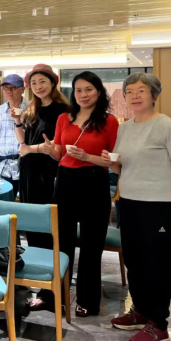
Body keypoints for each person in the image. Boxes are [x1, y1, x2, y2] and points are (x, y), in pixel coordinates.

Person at [103, 73, 171, 341]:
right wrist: (110, 162)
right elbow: (122, 167)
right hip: (129, 203)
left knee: (157, 266)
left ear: (153, 94)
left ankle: (158, 325)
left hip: (159, 207)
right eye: (129, 92)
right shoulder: (125, 128)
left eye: (141, 90)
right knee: (135, 261)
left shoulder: (169, 127)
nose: (135, 96)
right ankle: (140, 311)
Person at [50, 71, 118, 317]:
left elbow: (114, 161)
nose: (83, 94)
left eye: (88, 89)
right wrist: (49, 149)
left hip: (94, 181)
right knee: (62, 242)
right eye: (78, 90)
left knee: (92, 245)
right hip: (65, 181)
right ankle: (58, 297)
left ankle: (87, 300)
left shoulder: (109, 121)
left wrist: (88, 157)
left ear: (98, 92)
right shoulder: (64, 118)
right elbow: (58, 153)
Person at [16, 65, 69, 249]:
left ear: (52, 83)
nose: (38, 86)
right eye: (34, 83)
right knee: (31, 218)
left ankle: (50, 259)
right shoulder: (32, 108)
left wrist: (31, 149)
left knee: (46, 218)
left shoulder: (63, 110)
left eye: (42, 81)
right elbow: (23, 141)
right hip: (28, 169)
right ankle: (34, 256)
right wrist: (17, 122)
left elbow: (60, 141)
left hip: (49, 169)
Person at [0, 74, 28, 197]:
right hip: (4, 167)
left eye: (13, 88)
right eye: (5, 88)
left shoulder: (31, 110)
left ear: (22, 89)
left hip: (26, 164)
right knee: (5, 200)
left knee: (27, 201)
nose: (9, 91)